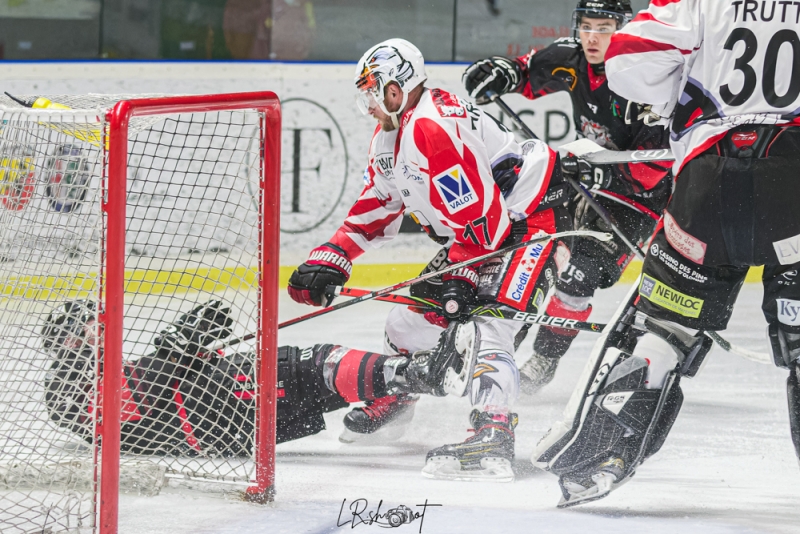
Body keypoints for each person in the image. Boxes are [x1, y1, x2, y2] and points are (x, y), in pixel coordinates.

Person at [531, 0, 800, 507]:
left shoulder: (702, 4)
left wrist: (679, 88)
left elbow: (627, 58)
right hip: (795, 185)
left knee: (664, 330)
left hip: (707, 185)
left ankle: (601, 459)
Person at [287, 38, 579, 480]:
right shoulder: (392, 134)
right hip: (482, 232)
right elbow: (379, 205)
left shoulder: (432, 128)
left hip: (525, 221)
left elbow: (488, 221)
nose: (366, 101)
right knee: (407, 324)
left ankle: (493, 432)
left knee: (489, 321)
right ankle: (399, 395)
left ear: (395, 88)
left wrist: (462, 276)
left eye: (371, 89)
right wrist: (333, 256)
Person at [462, 0, 672, 395]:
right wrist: (504, 73)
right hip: (582, 182)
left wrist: (607, 171)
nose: (593, 37)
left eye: (604, 27)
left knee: (580, 276)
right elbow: (526, 71)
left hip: (635, 198)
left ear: (625, 29)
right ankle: (502, 343)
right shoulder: (571, 58)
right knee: (532, 254)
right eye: (586, 26)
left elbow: (653, 168)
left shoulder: (649, 78)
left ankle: (545, 358)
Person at [41, 299, 473, 453]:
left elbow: (146, 392)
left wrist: (184, 342)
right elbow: (140, 403)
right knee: (311, 365)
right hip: (214, 404)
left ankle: (402, 384)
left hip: (218, 420)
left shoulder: (87, 377)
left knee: (315, 385)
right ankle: (421, 374)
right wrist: (178, 347)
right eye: (88, 328)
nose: (99, 331)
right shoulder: (67, 390)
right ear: (69, 341)